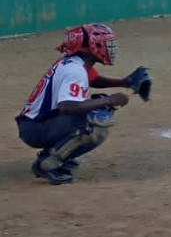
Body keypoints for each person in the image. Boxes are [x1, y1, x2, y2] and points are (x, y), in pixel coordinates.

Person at [15, 23, 151, 185]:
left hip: (35, 124)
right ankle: (48, 163)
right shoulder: (75, 70)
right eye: (105, 43)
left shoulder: (74, 62)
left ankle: (62, 153)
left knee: (96, 107)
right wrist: (109, 100)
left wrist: (125, 82)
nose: (110, 48)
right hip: (36, 129)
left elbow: (94, 80)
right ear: (91, 46)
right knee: (96, 120)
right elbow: (66, 107)